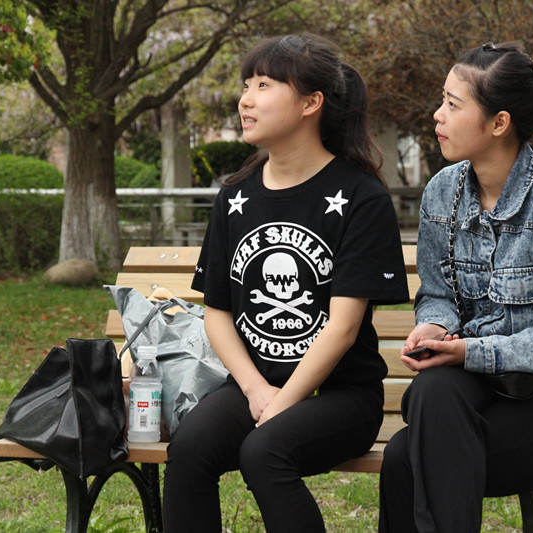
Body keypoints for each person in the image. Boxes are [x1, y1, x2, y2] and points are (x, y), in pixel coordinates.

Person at [378, 42, 533, 533]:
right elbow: (439, 294)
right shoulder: (442, 193)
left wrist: (470, 351)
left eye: (453, 105)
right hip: (479, 390)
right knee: (431, 393)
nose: (438, 115)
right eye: (442, 100)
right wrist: (435, 328)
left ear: (499, 123)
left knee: (406, 456)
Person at [162, 33, 410, 533]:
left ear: (310, 103)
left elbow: (342, 328)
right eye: (246, 85)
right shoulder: (235, 196)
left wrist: (283, 402)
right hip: (252, 385)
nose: (245, 99)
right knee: (189, 448)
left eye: (264, 85)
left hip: (341, 397)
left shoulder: (360, 197)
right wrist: (256, 389)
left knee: (264, 450)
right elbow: (218, 312)